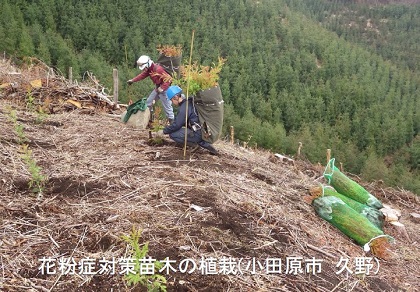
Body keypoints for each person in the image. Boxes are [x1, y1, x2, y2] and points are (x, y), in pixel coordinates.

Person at [163, 85, 219, 155]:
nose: (172, 103)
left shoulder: (184, 107)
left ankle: (194, 145)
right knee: (190, 133)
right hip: (203, 130)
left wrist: (164, 131)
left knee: (173, 134)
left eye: (171, 100)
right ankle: (211, 149)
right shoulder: (189, 102)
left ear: (176, 97)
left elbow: (177, 125)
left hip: (198, 133)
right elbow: (183, 122)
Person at [127, 55, 174, 123]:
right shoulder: (149, 70)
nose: (144, 69)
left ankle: (172, 123)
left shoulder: (158, 69)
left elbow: (168, 79)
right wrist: (133, 80)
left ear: (148, 64)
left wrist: (162, 88)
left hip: (165, 90)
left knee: (167, 107)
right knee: (148, 103)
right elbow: (142, 75)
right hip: (157, 88)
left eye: (144, 67)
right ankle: (149, 120)